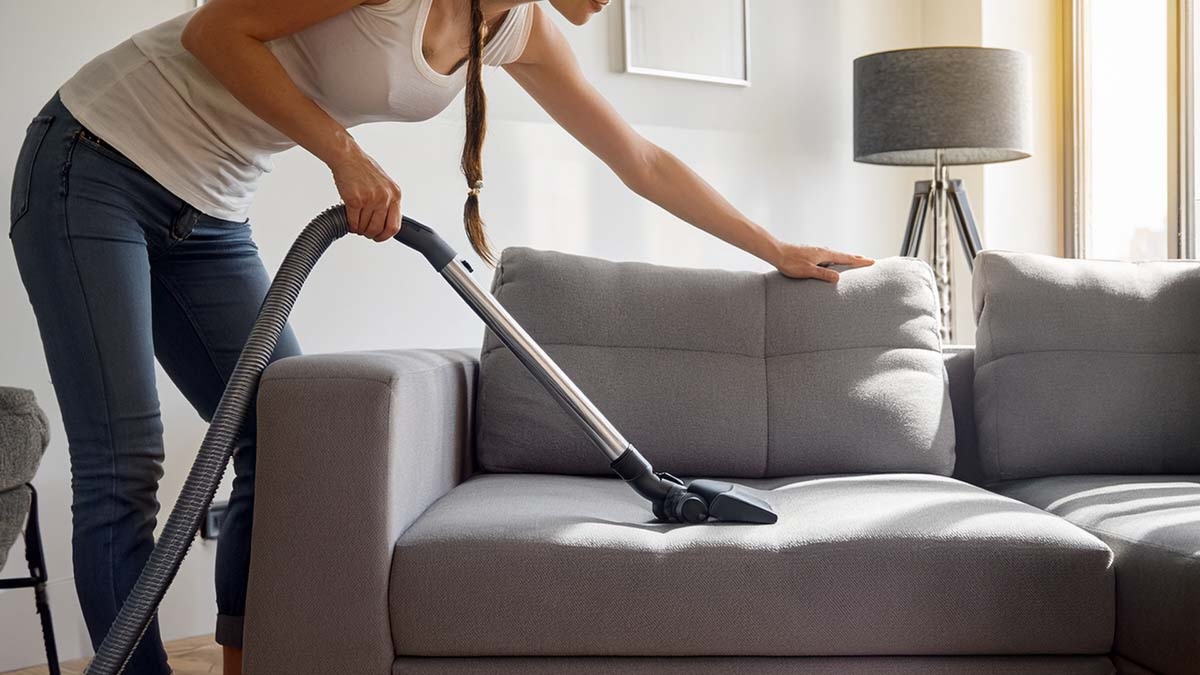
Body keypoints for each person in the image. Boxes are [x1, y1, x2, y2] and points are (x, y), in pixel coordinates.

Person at [8, 0, 874, 673]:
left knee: (287, 442)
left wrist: (776, 247)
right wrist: (342, 153)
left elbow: (638, 160)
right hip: (96, 160)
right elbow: (215, 31)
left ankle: (248, 660)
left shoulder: (517, 30)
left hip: (211, 208)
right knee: (125, 463)